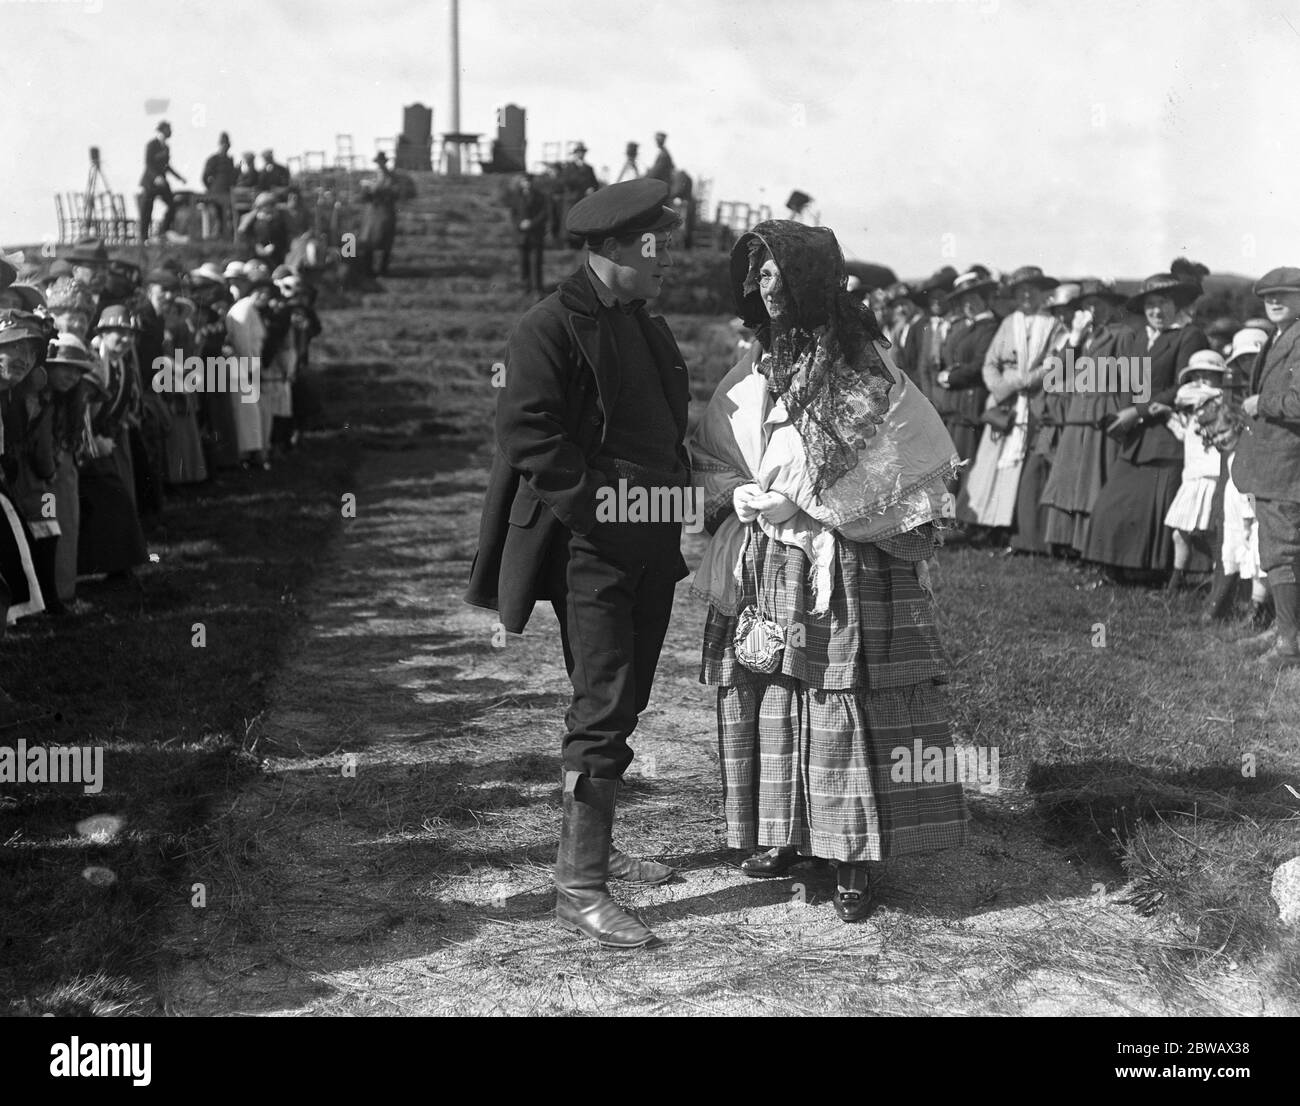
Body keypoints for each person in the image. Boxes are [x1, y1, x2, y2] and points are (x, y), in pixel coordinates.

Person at [689, 219, 966, 923]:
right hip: (770, 559)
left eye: (779, 271)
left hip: (842, 562)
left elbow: (906, 462)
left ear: (810, 278)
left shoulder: (862, 369)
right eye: (758, 272)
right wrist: (739, 492)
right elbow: (716, 450)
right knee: (775, 686)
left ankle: (850, 853)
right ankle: (782, 832)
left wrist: (819, 505)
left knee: (841, 691)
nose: (766, 285)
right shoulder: (752, 366)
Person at [464, 179, 687, 950]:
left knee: (624, 694)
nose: (669, 258)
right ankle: (579, 889)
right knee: (603, 703)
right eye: (656, 245)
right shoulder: (549, 325)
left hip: (650, 541)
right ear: (614, 248)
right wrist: (606, 508)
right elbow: (527, 434)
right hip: (594, 545)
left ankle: (595, 846)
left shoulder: (640, 322)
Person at [1084, 272, 1209, 582]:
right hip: (1135, 436)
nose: (1156, 311)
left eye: (1163, 303)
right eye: (1151, 305)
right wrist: (1121, 414)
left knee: (1156, 508)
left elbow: (1182, 387)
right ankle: (1112, 568)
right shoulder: (1139, 337)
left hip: (1165, 435)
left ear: (1176, 304)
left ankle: (1158, 574)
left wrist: (1137, 412)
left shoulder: (1188, 335)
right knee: (1112, 504)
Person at [956, 266, 1062, 548]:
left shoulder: (1053, 325)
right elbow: (990, 361)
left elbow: (1054, 362)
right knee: (991, 464)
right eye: (1021, 291)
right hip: (1004, 402)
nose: (1027, 296)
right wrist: (1002, 387)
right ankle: (985, 523)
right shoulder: (1008, 323)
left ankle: (1013, 527)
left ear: (1043, 293)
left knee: (1022, 466)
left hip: (1033, 400)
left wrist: (1025, 380)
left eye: (1032, 291)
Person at [1232, 266, 1300, 669]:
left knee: (1283, 552)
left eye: (1285, 295)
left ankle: (1290, 644)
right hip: (1274, 462)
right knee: (1279, 551)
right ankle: (1285, 630)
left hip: (1288, 463)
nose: (1274, 302)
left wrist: (1261, 404)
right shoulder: (1280, 337)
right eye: (1268, 296)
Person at [1039, 278, 1130, 555]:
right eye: (1088, 305)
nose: (1093, 310)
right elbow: (1055, 378)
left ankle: (1090, 545)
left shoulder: (1122, 333)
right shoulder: (1080, 336)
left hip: (1103, 412)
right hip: (1077, 412)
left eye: (1099, 305)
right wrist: (1075, 340)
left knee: (1093, 480)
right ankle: (1066, 542)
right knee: (1069, 479)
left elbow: (1133, 382)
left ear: (1111, 307)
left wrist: (1124, 417)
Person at [1164, 350, 1229, 590]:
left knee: (1213, 535)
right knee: (1180, 533)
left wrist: (1201, 393)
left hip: (1211, 476)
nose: (1200, 381)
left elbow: (1188, 394)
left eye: (1208, 375)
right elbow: (1187, 434)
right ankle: (1176, 581)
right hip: (1192, 477)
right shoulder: (1194, 406)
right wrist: (1168, 417)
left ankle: (1220, 586)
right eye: (1197, 375)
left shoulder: (1220, 401)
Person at [934, 267, 999, 485]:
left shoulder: (989, 327)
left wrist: (950, 377)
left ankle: (959, 515)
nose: (968, 305)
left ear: (984, 299)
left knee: (963, 466)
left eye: (972, 298)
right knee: (952, 464)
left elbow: (980, 365)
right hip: (956, 406)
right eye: (964, 301)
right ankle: (951, 514)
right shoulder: (965, 328)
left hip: (971, 405)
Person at [139, 120, 186, 239]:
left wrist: (179, 177)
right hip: (150, 183)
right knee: (147, 210)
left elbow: (167, 166)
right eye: (168, 129)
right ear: (163, 130)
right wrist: (156, 177)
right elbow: (148, 164)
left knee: (172, 204)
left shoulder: (166, 147)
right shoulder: (152, 145)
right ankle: (143, 238)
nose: (171, 132)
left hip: (162, 183)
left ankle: (164, 231)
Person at [359, 153, 399, 276]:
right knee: (367, 241)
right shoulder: (376, 176)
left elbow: (390, 191)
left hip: (384, 213)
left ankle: (382, 269)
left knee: (385, 241)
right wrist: (367, 189)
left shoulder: (389, 178)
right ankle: (367, 269)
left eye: (381, 162)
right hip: (372, 214)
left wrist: (374, 187)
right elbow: (368, 194)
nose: (379, 165)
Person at [509, 175, 548, 294]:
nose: (527, 184)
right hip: (521, 236)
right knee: (523, 263)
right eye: (524, 182)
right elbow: (513, 214)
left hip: (535, 235)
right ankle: (524, 288)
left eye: (529, 181)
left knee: (536, 263)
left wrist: (532, 223)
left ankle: (537, 289)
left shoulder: (540, 196)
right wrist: (519, 224)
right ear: (521, 183)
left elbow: (544, 213)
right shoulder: (516, 197)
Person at [237, 192, 291, 269]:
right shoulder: (252, 220)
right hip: (254, 254)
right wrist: (256, 246)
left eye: (271, 205)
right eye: (266, 205)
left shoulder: (279, 220)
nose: (269, 207)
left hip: (275, 255)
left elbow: (283, 237)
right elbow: (245, 236)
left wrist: (274, 246)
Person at [202, 132, 238, 238]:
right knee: (217, 215)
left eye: (227, 145)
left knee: (229, 216)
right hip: (215, 193)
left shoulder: (230, 160)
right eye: (223, 144)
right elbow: (205, 177)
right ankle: (216, 236)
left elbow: (232, 177)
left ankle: (226, 236)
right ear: (220, 145)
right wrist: (211, 188)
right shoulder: (213, 159)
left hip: (228, 193)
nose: (225, 147)